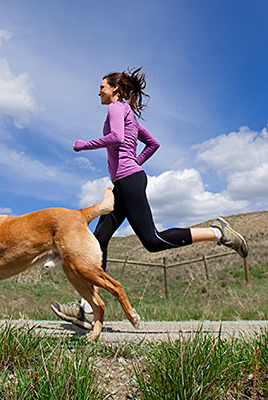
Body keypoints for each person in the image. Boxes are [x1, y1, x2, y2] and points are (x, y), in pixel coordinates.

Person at [51, 67, 248, 330]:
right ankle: (86, 307)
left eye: (102, 87)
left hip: (128, 181)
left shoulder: (115, 108)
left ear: (115, 90)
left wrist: (84, 145)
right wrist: (134, 163)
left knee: (152, 241)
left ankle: (218, 233)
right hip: (125, 181)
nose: (98, 91)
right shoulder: (128, 113)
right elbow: (153, 143)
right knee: (99, 240)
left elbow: (117, 137)